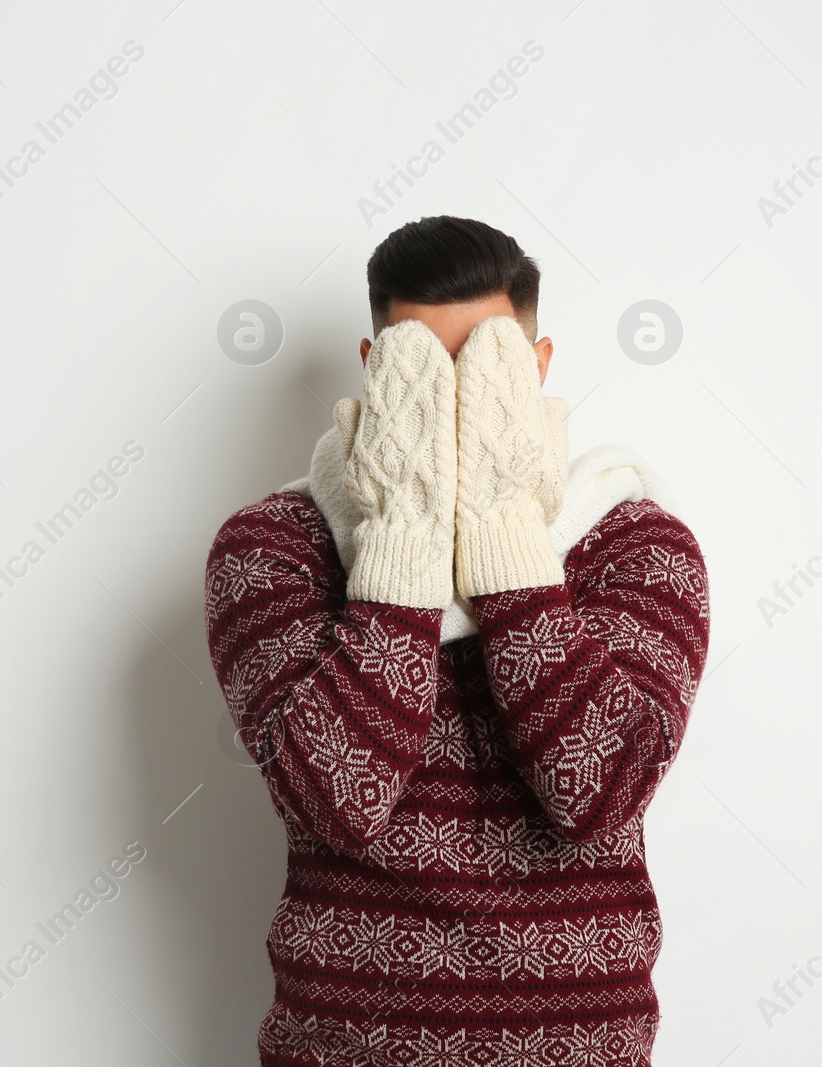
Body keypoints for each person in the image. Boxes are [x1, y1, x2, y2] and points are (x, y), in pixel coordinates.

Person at [204, 215, 711, 1065]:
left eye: (486, 372)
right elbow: (342, 801)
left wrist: (503, 526)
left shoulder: (635, 545)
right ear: (376, 374)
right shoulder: (275, 549)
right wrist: (405, 531)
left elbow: (598, 793)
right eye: (424, 377)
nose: (455, 407)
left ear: (538, 369)